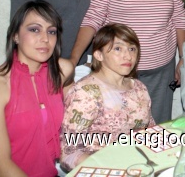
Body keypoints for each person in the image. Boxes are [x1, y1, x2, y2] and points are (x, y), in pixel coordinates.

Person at [0, 0, 74, 176]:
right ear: (15, 36)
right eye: (34, 29)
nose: (45, 38)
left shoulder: (62, 70)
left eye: (51, 31)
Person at [61, 23, 155, 171]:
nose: (128, 55)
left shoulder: (139, 88)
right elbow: (69, 153)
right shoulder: (86, 93)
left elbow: (149, 131)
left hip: (137, 165)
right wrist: (111, 169)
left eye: (132, 48)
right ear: (99, 55)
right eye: (118, 48)